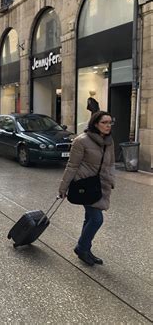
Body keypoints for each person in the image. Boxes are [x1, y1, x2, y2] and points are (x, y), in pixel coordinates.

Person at [58, 111, 115, 266]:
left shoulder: (109, 141)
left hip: (101, 185)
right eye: (104, 122)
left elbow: (111, 163)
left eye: (110, 122)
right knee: (97, 219)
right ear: (95, 124)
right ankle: (81, 247)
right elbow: (72, 165)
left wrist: (111, 180)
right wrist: (63, 187)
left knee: (89, 218)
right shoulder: (81, 141)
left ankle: (86, 249)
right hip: (85, 186)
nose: (108, 126)